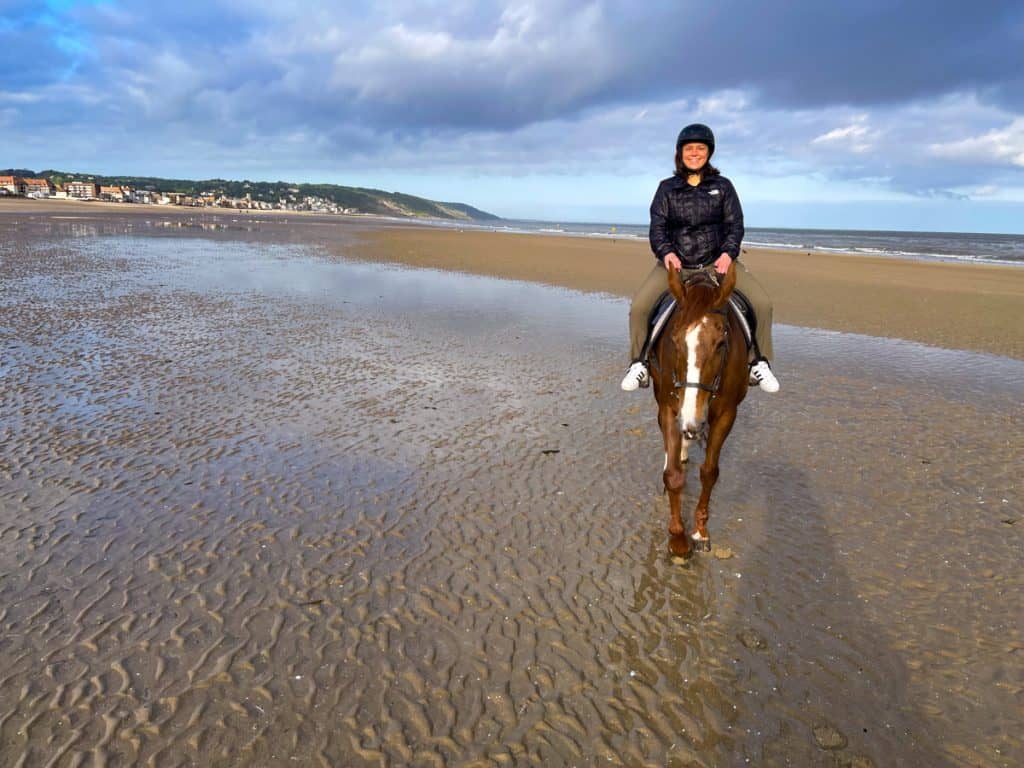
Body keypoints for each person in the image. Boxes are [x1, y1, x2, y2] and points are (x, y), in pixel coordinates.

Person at [621, 123, 780, 393]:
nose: (694, 153)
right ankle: (639, 363)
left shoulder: (723, 186)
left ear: (709, 152)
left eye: (700, 148)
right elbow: (657, 228)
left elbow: (735, 225)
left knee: (763, 304)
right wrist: (667, 253)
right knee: (639, 308)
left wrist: (728, 254)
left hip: (716, 263)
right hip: (675, 265)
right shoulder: (667, 189)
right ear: (680, 153)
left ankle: (759, 362)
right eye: (689, 148)